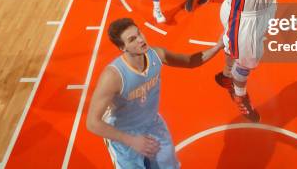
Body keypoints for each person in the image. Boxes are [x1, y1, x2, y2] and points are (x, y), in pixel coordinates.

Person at [86, 18, 222, 168]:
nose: (140, 40)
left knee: (168, 166)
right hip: (124, 134)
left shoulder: (156, 55)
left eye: (139, 33)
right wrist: (131, 140)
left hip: (152, 124)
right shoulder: (113, 76)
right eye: (132, 39)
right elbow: (92, 123)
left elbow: (190, 61)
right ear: (122, 47)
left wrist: (218, 47)